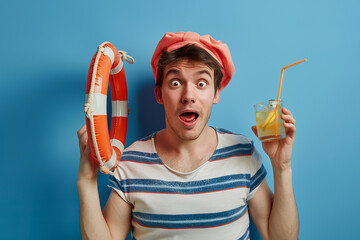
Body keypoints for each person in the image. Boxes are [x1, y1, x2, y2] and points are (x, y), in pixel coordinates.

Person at [77, 31, 299, 240]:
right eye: (175, 83)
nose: (188, 96)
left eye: (201, 83)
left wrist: (282, 166)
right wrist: (86, 181)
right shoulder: (130, 162)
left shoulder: (243, 153)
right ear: (159, 93)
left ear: (216, 92)